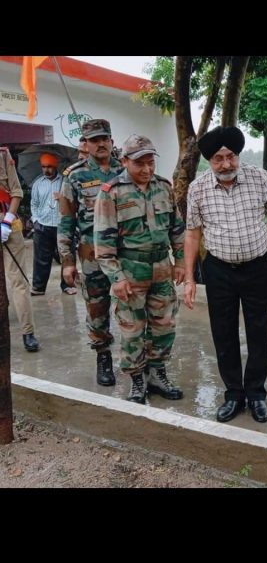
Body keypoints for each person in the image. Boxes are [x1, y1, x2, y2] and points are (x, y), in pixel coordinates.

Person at [183, 125, 267, 424]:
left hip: (257, 268)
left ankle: (255, 394)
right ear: (209, 160)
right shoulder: (198, 188)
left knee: (258, 331)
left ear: (238, 155)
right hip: (218, 270)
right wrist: (190, 278)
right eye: (218, 159)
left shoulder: (258, 178)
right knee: (223, 333)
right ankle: (233, 394)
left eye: (231, 156)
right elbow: (192, 233)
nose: (226, 164)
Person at [94, 134, 186, 404]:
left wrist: (180, 261)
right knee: (132, 329)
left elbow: (177, 229)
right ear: (124, 161)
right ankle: (136, 379)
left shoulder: (164, 187)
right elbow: (103, 244)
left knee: (164, 325)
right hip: (130, 270)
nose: (146, 169)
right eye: (139, 164)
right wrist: (116, 278)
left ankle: (157, 374)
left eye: (150, 163)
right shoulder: (111, 192)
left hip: (162, 268)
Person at [58, 120, 122, 387]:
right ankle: (103, 356)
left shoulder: (125, 170)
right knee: (97, 307)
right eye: (94, 140)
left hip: (123, 253)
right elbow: (66, 220)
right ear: (86, 144)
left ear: (111, 140)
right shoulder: (75, 176)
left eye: (105, 138)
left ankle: (137, 360)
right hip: (91, 254)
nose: (101, 144)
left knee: (131, 306)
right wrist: (67, 261)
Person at [0, 146, 40, 351]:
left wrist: (7, 221)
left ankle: (28, 332)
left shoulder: (2, 155)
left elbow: (16, 191)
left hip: (7, 225)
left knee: (18, 282)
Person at [30, 153, 74, 295]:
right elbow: (34, 204)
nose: (46, 170)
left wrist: (62, 198)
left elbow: (73, 201)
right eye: (43, 167)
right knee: (41, 259)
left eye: (49, 166)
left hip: (63, 225)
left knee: (66, 256)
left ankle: (67, 285)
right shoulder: (38, 183)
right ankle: (38, 287)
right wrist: (35, 220)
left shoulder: (65, 181)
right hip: (43, 225)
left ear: (55, 166)